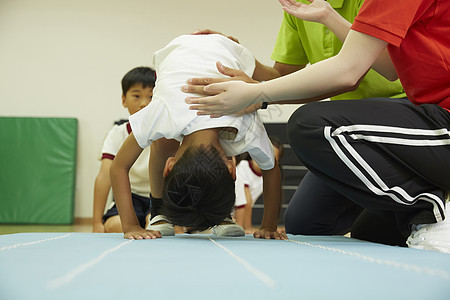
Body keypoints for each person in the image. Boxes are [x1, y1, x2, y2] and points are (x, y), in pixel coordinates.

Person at [185, 0, 450, 253]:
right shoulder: (300, 9)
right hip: (348, 133)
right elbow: (390, 66)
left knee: (309, 125)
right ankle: (415, 205)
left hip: (404, 117)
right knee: (313, 224)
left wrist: (257, 94)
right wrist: (239, 56)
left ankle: (431, 211)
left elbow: (349, 73)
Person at [110, 34, 287, 240]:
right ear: (232, 168)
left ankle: (220, 215)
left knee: (164, 137)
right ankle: (159, 211)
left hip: (205, 49)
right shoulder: (243, 124)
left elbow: (118, 166)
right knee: (162, 139)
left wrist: (130, 226)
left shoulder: (243, 122)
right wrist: (269, 226)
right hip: (193, 50)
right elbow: (272, 167)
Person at [92, 67, 155, 233]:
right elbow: (104, 176)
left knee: (155, 224)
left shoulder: (167, 133)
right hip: (129, 195)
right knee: (115, 226)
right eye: (136, 96)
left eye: (151, 97)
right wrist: (97, 223)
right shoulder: (117, 133)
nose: (144, 103)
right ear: (124, 99)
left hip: (158, 195)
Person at [234, 136, 284, 233]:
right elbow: (245, 200)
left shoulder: (267, 177)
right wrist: (246, 227)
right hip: (234, 212)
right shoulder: (243, 166)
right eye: (262, 156)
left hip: (241, 215)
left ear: (276, 163)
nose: (264, 161)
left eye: (270, 159)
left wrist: (272, 227)